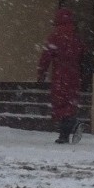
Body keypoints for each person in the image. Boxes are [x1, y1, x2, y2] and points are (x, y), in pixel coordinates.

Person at [37, 8, 85, 144]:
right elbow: (82, 53)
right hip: (74, 74)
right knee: (69, 104)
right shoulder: (76, 35)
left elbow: (46, 57)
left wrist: (41, 72)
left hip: (60, 74)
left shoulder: (55, 36)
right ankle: (63, 135)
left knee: (60, 103)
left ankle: (73, 125)